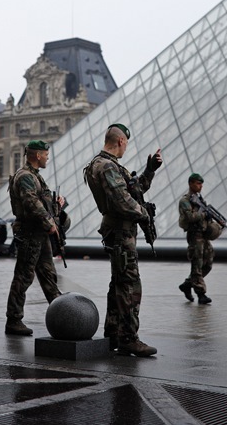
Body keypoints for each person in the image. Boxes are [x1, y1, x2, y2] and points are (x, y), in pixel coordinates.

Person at [83, 123, 162, 357]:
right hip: (120, 233)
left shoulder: (105, 165)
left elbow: (133, 191)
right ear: (121, 141)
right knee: (129, 283)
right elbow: (123, 202)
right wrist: (144, 214)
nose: (126, 147)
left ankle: (113, 333)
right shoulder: (107, 166)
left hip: (117, 231)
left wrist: (149, 170)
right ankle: (128, 338)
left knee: (118, 283)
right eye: (126, 143)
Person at [4, 140, 64, 336]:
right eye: (46, 154)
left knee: (48, 274)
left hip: (39, 233)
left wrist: (57, 206)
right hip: (30, 233)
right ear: (38, 155)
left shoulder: (35, 176)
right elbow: (31, 202)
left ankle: (63, 312)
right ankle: (14, 319)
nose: (48, 157)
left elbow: (40, 203)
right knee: (23, 276)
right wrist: (50, 223)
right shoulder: (25, 177)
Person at [178, 173, 217, 304]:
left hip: (204, 235)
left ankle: (187, 285)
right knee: (197, 264)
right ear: (191, 184)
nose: (200, 186)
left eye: (201, 184)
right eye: (198, 183)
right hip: (195, 235)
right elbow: (190, 217)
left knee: (208, 263)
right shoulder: (185, 201)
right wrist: (204, 214)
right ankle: (201, 294)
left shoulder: (199, 198)